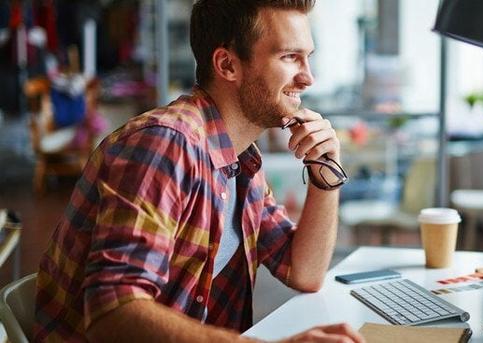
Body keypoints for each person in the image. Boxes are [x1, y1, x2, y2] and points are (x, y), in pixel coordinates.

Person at [34, 0, 363, 342]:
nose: (308, 77)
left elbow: (304, 271)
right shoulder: (164, 145)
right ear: (227, 64)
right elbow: (112, 313)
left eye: (308, 57)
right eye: (289, 57)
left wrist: (326, 174)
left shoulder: (240, 161)